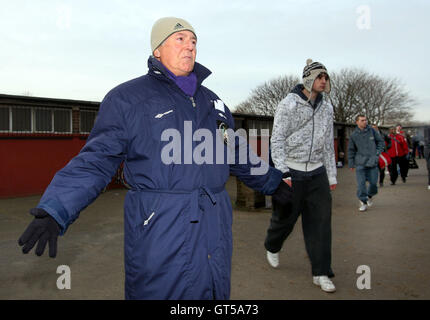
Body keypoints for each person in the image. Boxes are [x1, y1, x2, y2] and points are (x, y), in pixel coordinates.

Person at [17, 17, 292, 300]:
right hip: (161, 225)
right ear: (157, 50)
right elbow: (97, 159)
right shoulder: (128, 99)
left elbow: (235, 151)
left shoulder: (214, 103)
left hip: (214, 223)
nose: (190, 47)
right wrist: (56, 209)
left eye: (194, 41)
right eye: (180, 39)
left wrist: (273, 182)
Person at [265, 59, 337, 293]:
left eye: (326, 77)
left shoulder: (327, 108)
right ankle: (273, 245)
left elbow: (327, 143)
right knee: (285, 218)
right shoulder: (289, 104)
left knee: (321, 224)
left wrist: (332, 175)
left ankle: (321, 272)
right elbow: (276, 139)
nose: (324, 81)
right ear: (308, 79)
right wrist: (282, 170)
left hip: (317, 173)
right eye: (319, 77)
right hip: (292, 172)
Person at [348, 115, 385, 212]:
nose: (365, 122)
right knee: (361, 185)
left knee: (373, 183)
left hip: (372, 162)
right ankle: (363, 202)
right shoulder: (354, 135)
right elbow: (351, 150)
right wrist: (351, 164)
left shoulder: (372, 131)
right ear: (357, 122)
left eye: (365, 120)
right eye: (362, 120)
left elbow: (381, 142)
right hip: (360, 163)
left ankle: (370, 195)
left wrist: (377, 153)